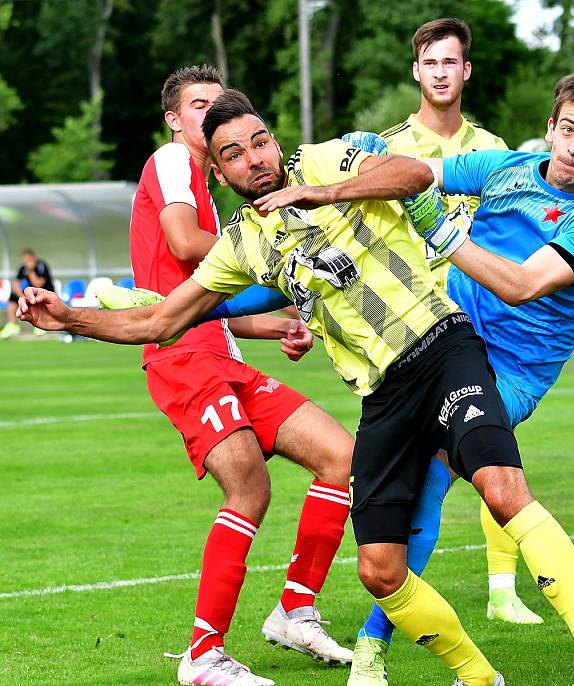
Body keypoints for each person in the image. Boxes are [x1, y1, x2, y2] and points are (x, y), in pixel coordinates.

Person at [19, 85, 574, 686]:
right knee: (379, 568)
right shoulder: (241, 243)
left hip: (444, 346)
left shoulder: (319, 160)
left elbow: (410, 175)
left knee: (500, 486)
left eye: (260, 142)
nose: (254, 158)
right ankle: (477, 677)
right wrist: (68, 316)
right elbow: (161, 320)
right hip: (383, 394)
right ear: (221, 174)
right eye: (234, 154)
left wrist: (321, 192)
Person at [254, 71, 574, 685]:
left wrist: (440, 231)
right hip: (445, 339)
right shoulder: (508, 168)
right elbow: (416, 173)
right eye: (567, 129)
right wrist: (350, 172)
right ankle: (388, 654)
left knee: (478, 486)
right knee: (423, 497)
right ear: (550, 128)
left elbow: (519, 287)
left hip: (511, 371)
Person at [108, 66, 355, 686]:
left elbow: (213, 302)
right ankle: (203, 656)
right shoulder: (171, 161)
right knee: (249, 488)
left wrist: (281, 325)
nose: (209, 114)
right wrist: (285, 265)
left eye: (219, 104)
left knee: (339, 456)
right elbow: (190, 248)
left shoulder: (209, 188)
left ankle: (295, 610)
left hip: (218, 352)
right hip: (181, 359)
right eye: (198, 105)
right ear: (174, 119)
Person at [377, 17, 542, 635]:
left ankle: (388, 633)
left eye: (452, 62)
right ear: (416, 71)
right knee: (429, 478)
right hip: (405, 336)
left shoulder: (492, 151)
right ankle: (366, 618)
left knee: (477, 465)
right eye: (431, 63)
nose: (441, 72)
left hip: (480, 337)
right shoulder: (387, 150)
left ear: (466, 70)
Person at [1, 249, 54, 338]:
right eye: (25, 260)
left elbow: (39, 284)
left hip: (45, 292)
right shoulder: (23, 268)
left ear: (33, 258)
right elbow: (16, 284)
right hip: (31, 293)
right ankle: (12, 326)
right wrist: (22, 297)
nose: (26, 262)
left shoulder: (41, 266)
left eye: (28, 260)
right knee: (13, 296)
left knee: (37, 298)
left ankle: (41, 325)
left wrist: (31, 271)